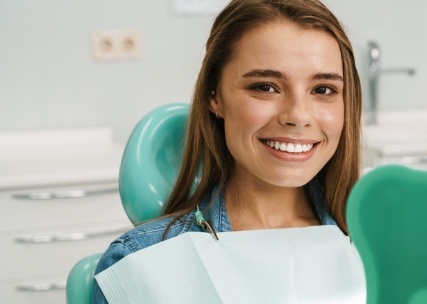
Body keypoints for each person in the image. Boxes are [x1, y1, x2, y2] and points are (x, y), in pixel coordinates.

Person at [93, 0, 362, 302]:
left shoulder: (382, 246)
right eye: (265, 87)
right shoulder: (143, 264)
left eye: (323, 90)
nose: (298, 116)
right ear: (215, 97)